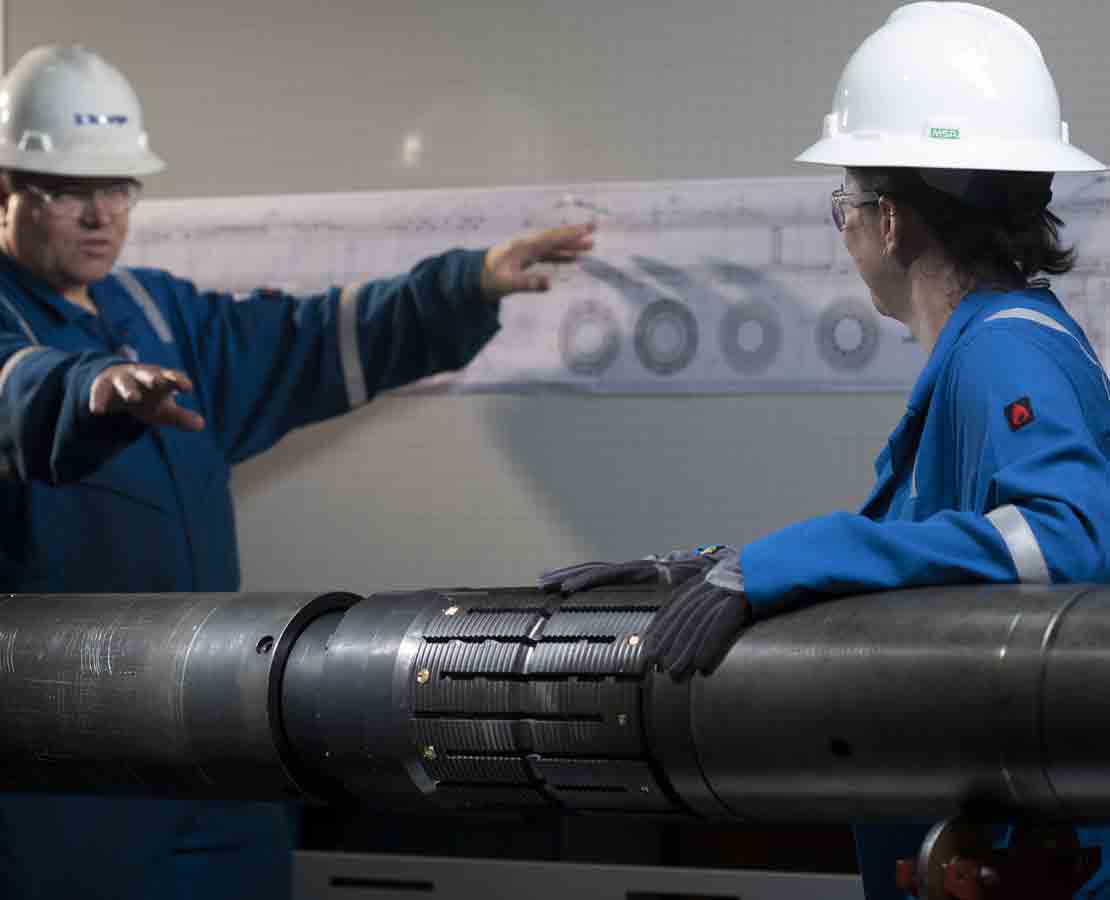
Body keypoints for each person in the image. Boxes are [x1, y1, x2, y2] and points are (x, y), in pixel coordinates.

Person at [541, 4, 1110, 898]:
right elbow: (934, 568)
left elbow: (1064, 542)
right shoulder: (991, 348)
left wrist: (797, 559)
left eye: (844, 204)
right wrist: (710, 571)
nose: (844, 230)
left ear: (892, 221)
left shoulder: (1007, 350)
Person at [0, 44, 594, 900]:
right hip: (67, 766)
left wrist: (464, 286)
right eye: (67, 191)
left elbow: (304, 340)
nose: (100, 215)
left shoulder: (158, 310)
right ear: (8, 190)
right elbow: (18, 387)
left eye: (118, 188)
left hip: (205, 735)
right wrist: (88, 389)